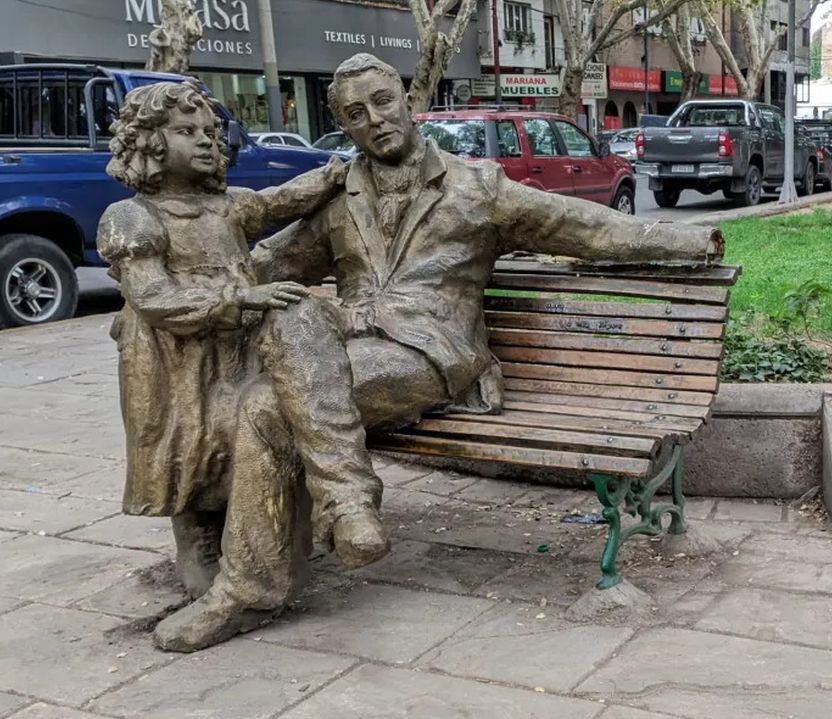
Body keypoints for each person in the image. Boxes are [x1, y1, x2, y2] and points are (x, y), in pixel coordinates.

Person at [129, 54, 724, 652]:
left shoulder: (476, 187)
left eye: (383, 103)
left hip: (431, 352)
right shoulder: (340, 194)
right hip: (344, 353)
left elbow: (591, 229)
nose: (375, 121)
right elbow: (267, 264)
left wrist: (694, 238)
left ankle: (255, 583)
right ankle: (337, 511)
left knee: (266, 403)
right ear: (344, 125)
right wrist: (161, 295)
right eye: (356, 115)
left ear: (406, 102)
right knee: (276, 361)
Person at [96, 81, 353, 651]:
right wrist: (236, 301)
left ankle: (256, 536)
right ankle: (199, 545)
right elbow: (153, 295)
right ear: (150, 144)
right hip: (172, 359)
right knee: (187, 447)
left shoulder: (229, 205)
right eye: (188, 133)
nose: (208, 143)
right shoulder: (129, 217)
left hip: (235, 348)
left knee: (238, 435)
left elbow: (283, 201)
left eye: (211, 133)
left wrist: (331, 175)